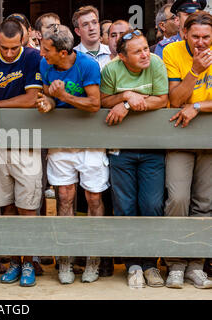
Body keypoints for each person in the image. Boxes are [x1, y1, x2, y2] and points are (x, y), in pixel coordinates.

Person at [37, 24, 107, 285]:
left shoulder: (88, 65)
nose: (42, 53)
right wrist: (49, 101)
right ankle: (64, 260)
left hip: (90, 140)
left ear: (63, 52)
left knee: (93, 197)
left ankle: (93, 259)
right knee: (64, 197)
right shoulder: (46, 65)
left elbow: (94, 103)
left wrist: (63, 94)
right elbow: (49, 96)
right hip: (61, 140)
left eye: (47, 49)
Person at [100, 30, 168, 289]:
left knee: (151, 204)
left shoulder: (156, 63)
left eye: (146, 48)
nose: (145, 54)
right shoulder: (111, 69)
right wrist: (126, 95)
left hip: (152, 147)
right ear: (121, 56)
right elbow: (103, 100)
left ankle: (151, 263)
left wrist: (127, 105)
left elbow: (163, 100)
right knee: (125, 206)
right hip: (120, 148)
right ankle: (133, 265)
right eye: (137, 51)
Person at [0, 18, 43, 287]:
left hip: (27, 139)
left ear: (23, 40)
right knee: (6, 204)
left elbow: (32, 98)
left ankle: (28, 261)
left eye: (13, 48)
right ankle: (14, 260)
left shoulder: (32, 56)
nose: (7, 53)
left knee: (27, 204)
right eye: (3, 47)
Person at [162, 11, 212, 289]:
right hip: (179, 135)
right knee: (178, 199)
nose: (201, 43)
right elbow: (174, 99)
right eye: (195, 37)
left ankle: (197, 264)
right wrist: (195, 71)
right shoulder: (172, 52)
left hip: (209, 138)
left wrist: (197, 106)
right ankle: (175, 263)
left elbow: (187, 103)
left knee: (204, 203)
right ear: (184, 34)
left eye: (206, 37)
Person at [73, 6, 111, 70]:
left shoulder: (112, 53)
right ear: (78, 31)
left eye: (94, 22)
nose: (91, 28)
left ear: (99, 25)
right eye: (85, 24)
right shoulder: (72, 57)